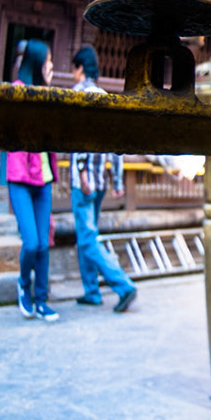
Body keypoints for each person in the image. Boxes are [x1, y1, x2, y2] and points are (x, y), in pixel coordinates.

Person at [68, 47, 138, 313]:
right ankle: (91, 291)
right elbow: (115, 145)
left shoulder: (78, 95)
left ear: (80, 68)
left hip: (83, 180)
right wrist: (117, 181)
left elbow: (79, 136)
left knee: (87, 238)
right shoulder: (104, 97)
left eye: (74, 69)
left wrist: (83, 171)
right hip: (101, 182)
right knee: (87, 234)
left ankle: (123, 285)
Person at [4, 40, 59, 322]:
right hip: (21, 178)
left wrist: (46, 91)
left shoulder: (47, 94)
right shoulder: (17, 90)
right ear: (37, 62)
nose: (51, 65)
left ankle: (42, 300)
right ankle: (23, 286)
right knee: (33, 242)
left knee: (45, 242)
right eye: (48, 60)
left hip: (44, 179)